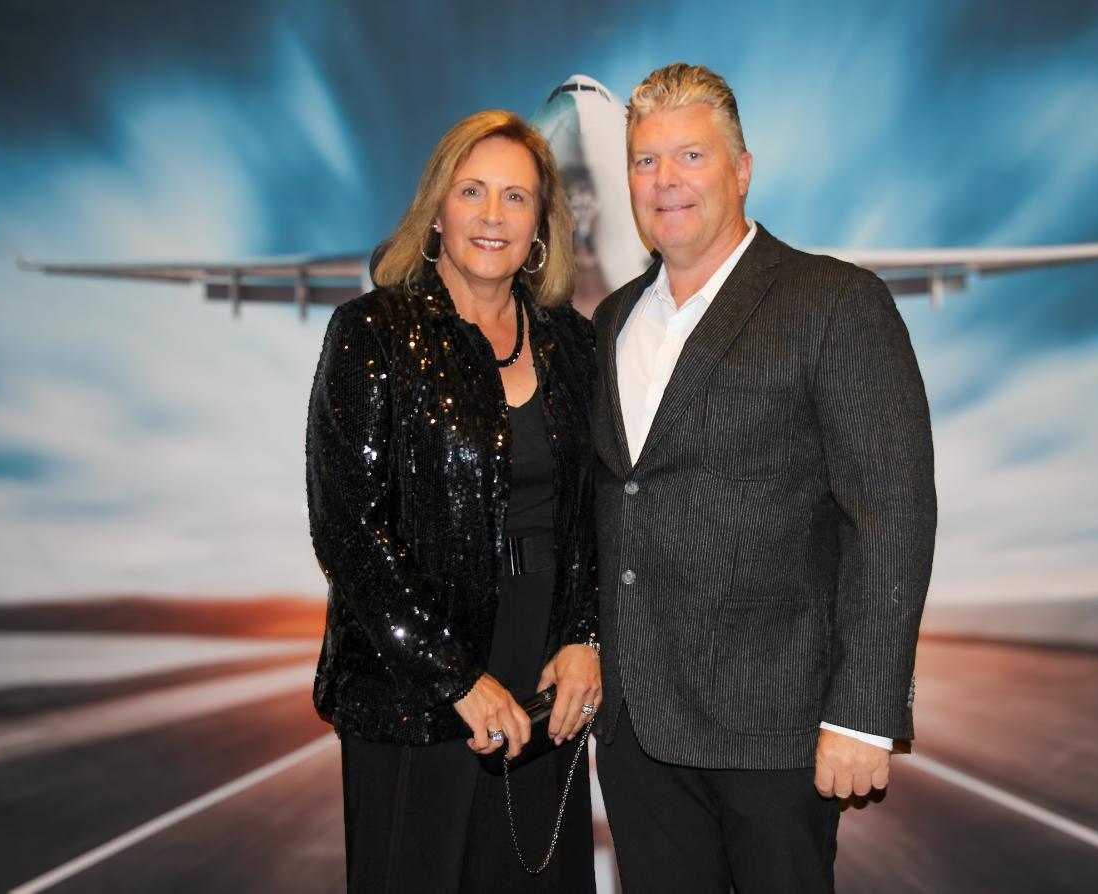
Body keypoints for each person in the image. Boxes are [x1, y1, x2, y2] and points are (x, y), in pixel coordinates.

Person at [590, 64, 937, 892]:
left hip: (776, 732)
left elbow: (890, 511)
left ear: (742, 170)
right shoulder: (611, 321)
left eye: (691, 156)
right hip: (637, 733)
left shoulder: (834, 301)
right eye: (645, 161)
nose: (666, 180)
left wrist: (864, 712)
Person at [306, 109, 600, 893]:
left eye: (516, 197)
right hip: (415, 680)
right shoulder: (372, 332)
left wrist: (586, 637)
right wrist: (456, 677)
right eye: (472, 191)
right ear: (437, 210)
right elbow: (349, 531)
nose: (493, 216)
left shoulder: (574, 344)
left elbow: (597, 512)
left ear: (542, 224)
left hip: (543, 678)